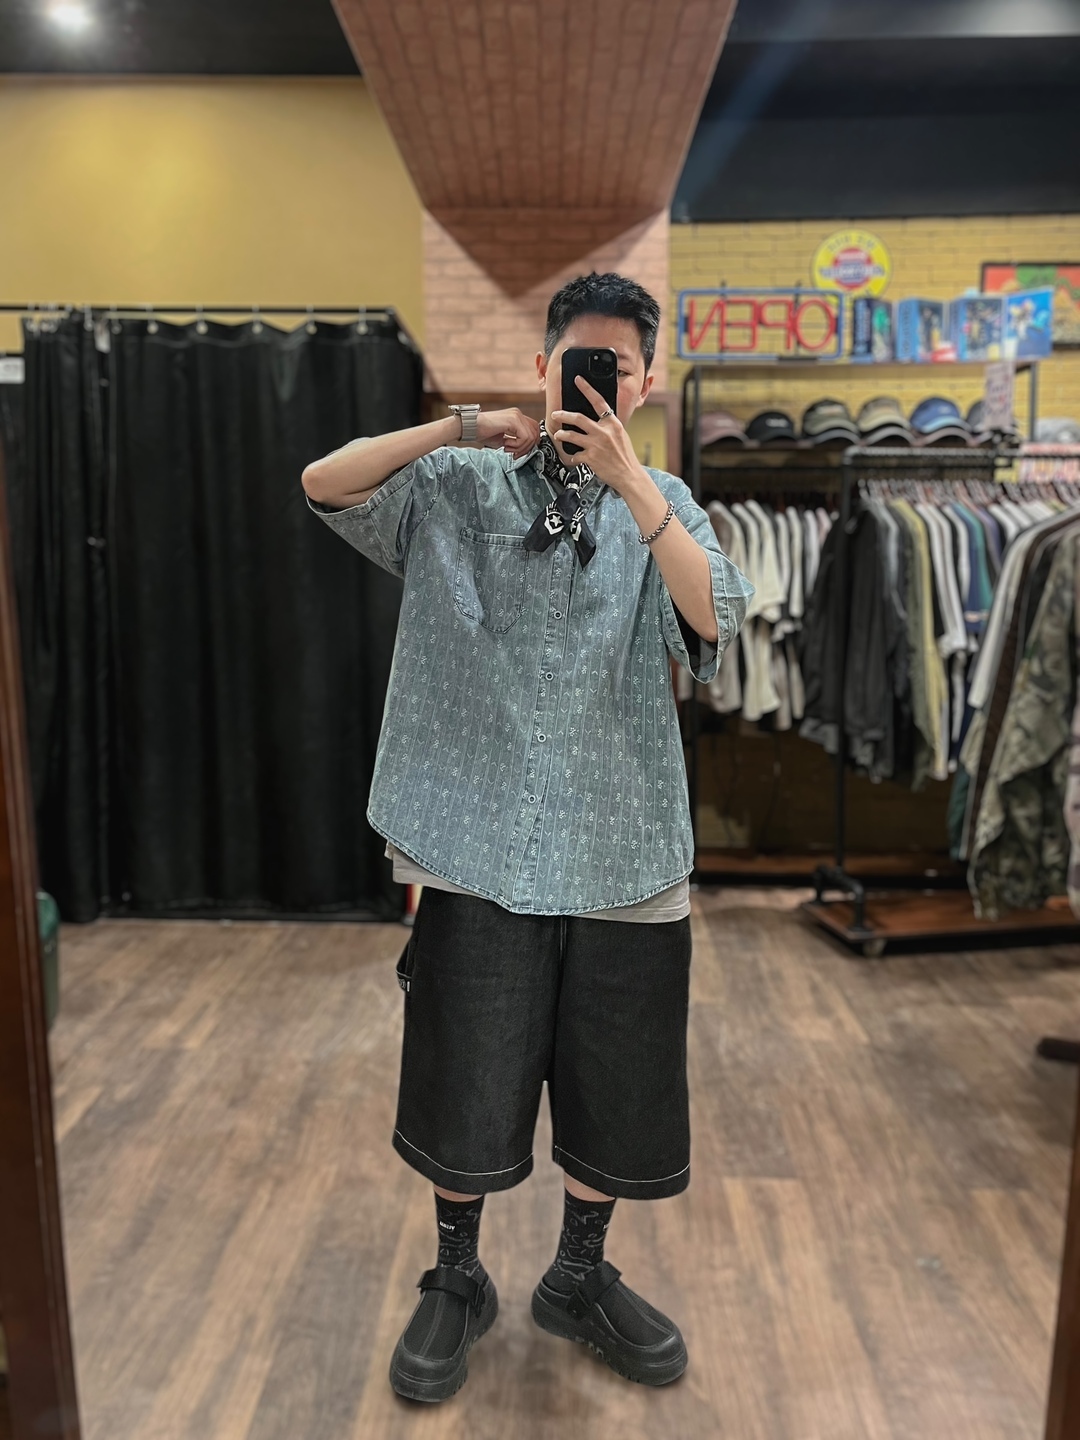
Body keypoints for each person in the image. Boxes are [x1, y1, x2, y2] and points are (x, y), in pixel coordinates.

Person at [302, 272, 752, 1403]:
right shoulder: (458, 484)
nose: (595, 383)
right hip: (477, 837)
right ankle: (457, 1275)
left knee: (618, 1075)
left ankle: (578, 1274)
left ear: (645, 383)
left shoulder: (666, 503)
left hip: (622, 844)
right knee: (466, 1064)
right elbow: (323, 482)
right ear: (545, 365)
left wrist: (634, 488)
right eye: (577, 362)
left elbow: (715, 620)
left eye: (617, 367)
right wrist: (462, 424)